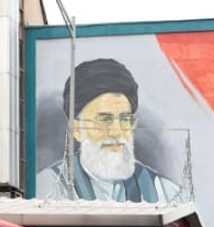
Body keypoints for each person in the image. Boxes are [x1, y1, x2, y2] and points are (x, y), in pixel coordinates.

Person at [37, 58, 180, 202]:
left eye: (124, 119)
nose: (117, 132)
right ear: (77, 129)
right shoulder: (48, 188)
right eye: (105, 120)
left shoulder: (165, 193)